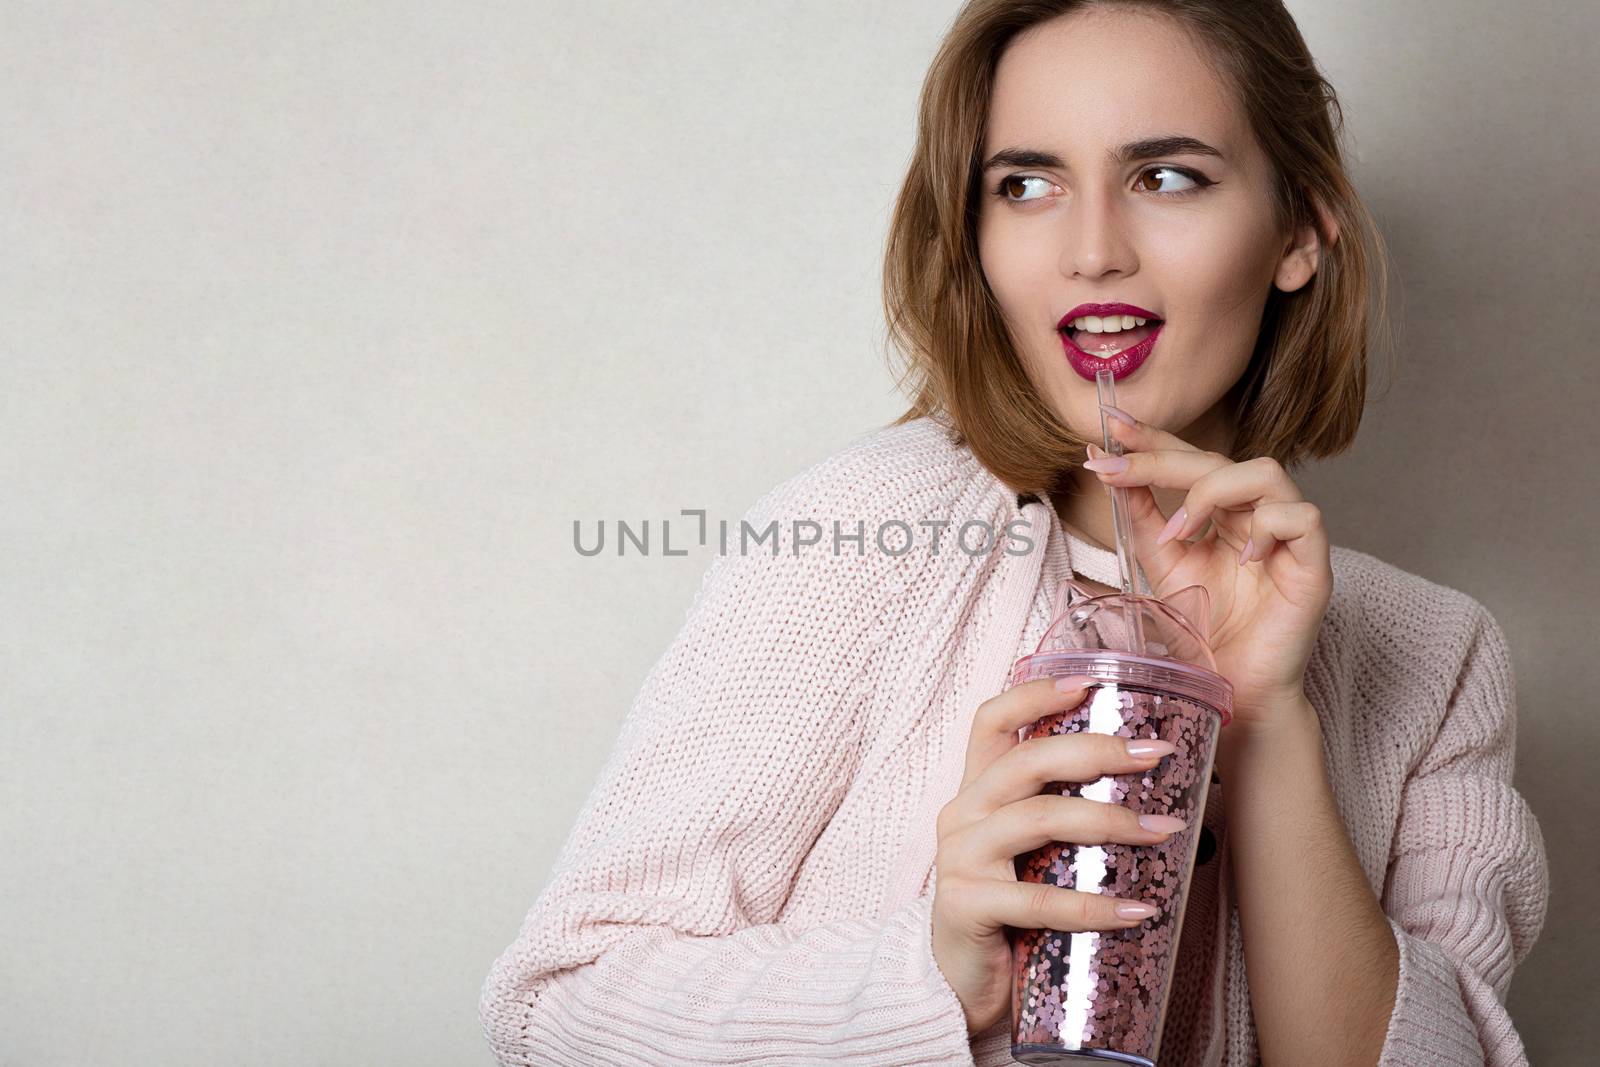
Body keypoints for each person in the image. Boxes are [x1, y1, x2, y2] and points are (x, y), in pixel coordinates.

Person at [481, 2, 1549, 1064]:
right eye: (1025, 185)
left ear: (1299, 230)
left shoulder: (1436, 654)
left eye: (1166, 175)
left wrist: (1265, 720)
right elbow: (554, 1008)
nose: (1091, 253)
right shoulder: (858, 537)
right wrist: (936, 976)